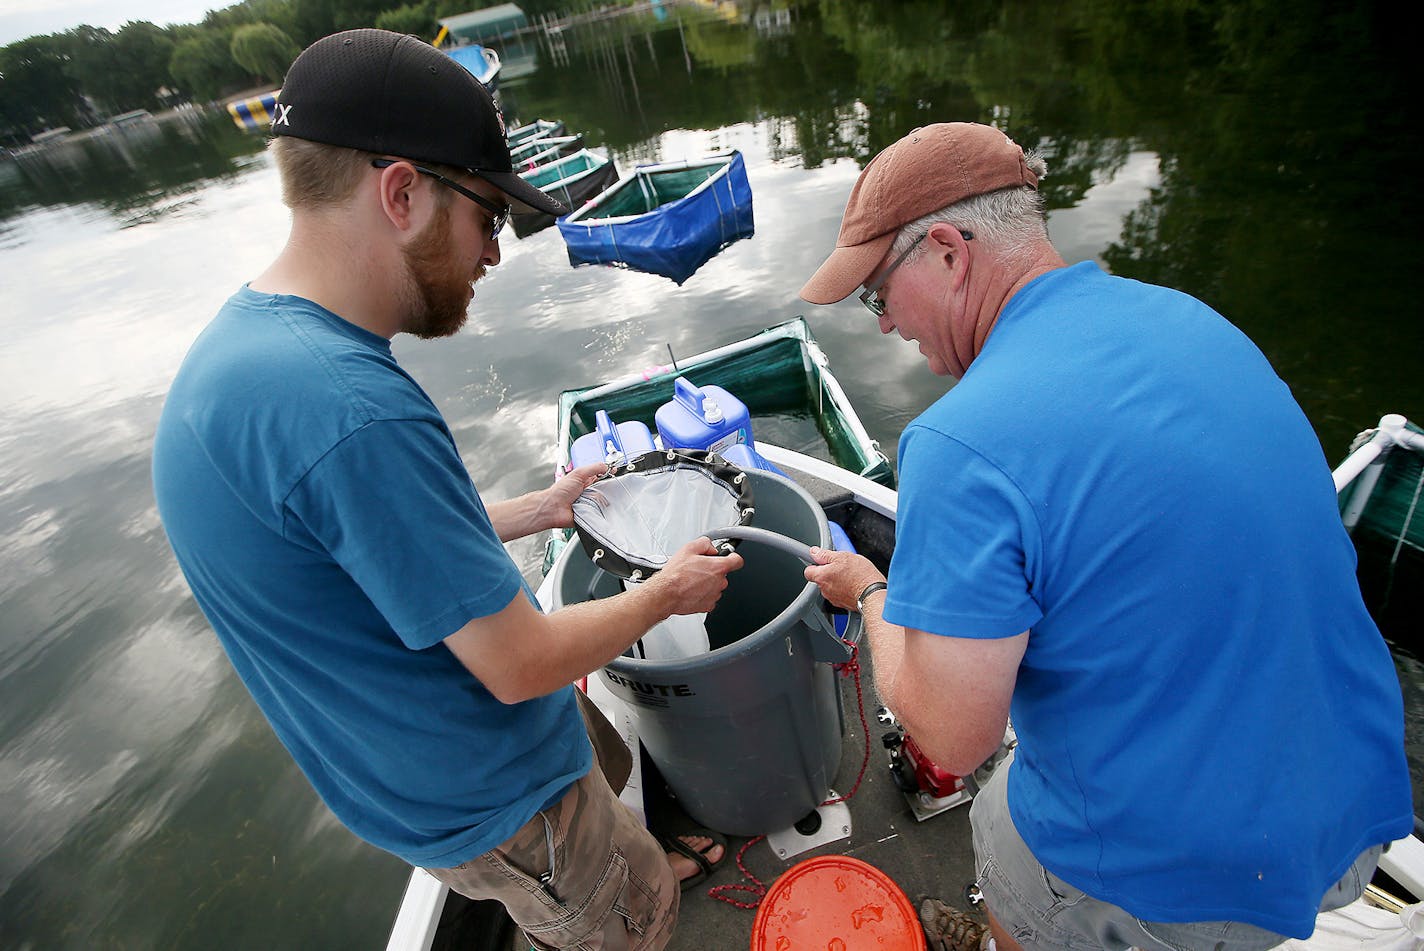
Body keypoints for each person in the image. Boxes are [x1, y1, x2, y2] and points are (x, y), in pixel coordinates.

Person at [152, 29, 736, 951]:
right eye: (489, 218)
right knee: (636, 915)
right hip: (500, 795)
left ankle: (644, 840)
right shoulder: (353, 410)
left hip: (404, 780)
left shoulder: (243, 355)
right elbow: (519, 663)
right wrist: (668, 590)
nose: (494, 255)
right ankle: (645, 881)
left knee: (611, 783)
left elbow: (368, 554)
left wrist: (539, 510)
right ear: (400, 193)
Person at [798, 122, 1412, 951]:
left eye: (879, 293)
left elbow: (950, 738)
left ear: (948, 249)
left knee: (997, 815)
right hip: (1358, 801)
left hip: (1200, 873)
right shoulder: (1194, 319)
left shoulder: (958, 443)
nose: (881, 325)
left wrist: (872, 594)